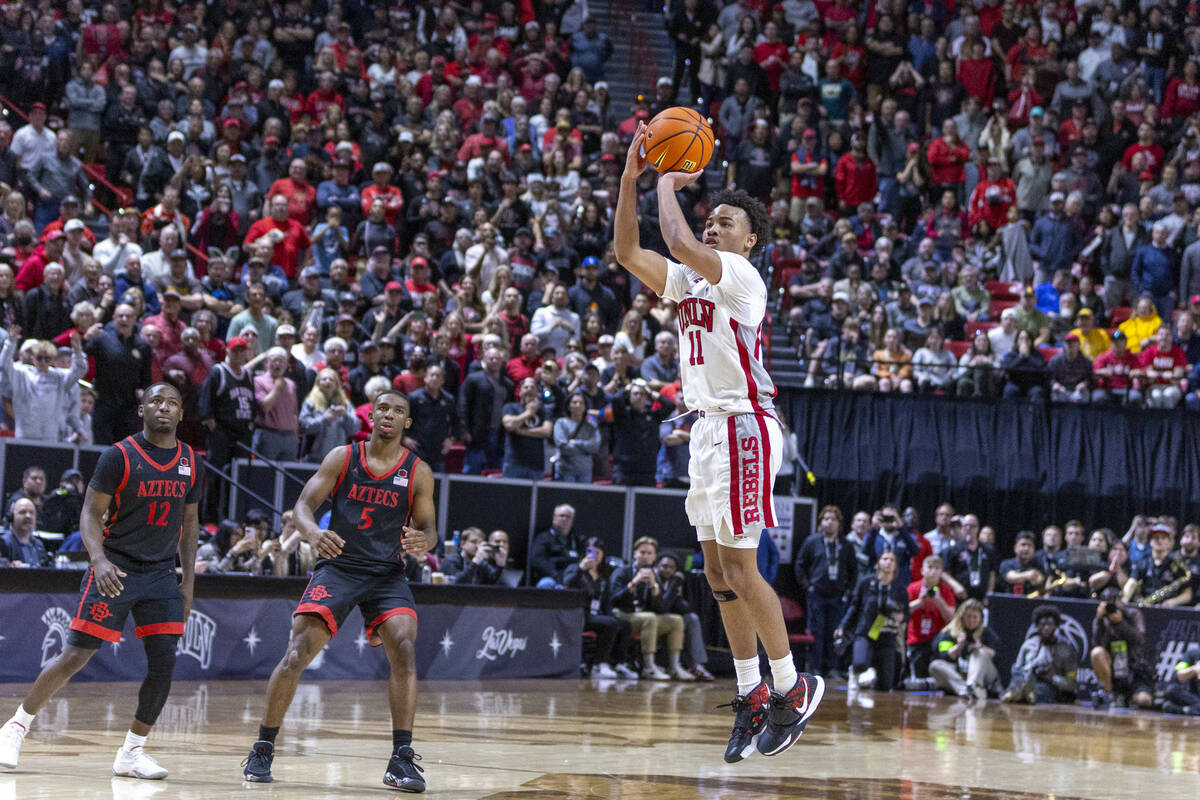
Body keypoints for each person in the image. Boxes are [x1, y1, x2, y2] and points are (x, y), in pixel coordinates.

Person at [612, 121, 822, 763]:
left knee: (740, 566)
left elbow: (672, 235)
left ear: (749, 239)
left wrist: (668, 180)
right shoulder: (693, 284)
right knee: (717, 574)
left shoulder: (740, 277)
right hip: (707, 430)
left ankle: (793, 687)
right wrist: (629, 179)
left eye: (725, 221)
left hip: (745, 425)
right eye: (712, 220)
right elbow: (629, 252)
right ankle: (751, 691)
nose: (712, 227)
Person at [0, 383, 199, 777]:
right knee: (76, 655)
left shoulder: (191, 459)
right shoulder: (119, 455)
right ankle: (15, 727)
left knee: (164, 666)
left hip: (161, 574)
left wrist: (188, 581)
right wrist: (99, 560)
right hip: (116, 568)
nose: (164, 408)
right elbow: (90, 515)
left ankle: (131, 753)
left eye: (172, 403)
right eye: (156, 401)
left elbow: (190, 523)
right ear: (141, 409)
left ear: (180, 413)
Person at [241, 389, 435, 791]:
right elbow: (302, 506)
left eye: (398, 411)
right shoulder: (342, 457)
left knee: (404, 644)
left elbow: (429, 528)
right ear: (371, 414)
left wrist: (424, 541)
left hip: (386, 573)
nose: (389, 415)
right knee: (297, 653)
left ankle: (401, 759)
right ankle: (263, 746)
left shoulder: (418, 471)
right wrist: (311, 532)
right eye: (383, 408)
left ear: (406, 422)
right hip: (340, 566)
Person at [794, 506, 858, 679]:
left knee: (835, 632)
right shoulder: (812, 542)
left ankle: (833, 668)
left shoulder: (845, 545)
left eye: (833, 519)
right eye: (826, 519)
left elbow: (854, 570)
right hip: (817, 595)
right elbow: (800, 565)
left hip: (838, 596)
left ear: (839, 524)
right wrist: (808, 586)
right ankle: (814, 668)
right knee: (817, 632)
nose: (829, 522)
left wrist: (848, 591)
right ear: (821, 522)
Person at [562, 537, 638, 679]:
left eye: (598, 552)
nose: (595, 556)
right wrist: (580, 570)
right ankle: (599, 663)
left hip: (598, 614)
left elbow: (606, 600)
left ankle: (620, 663)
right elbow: (567, 586)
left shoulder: (604, 574)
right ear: (585, 553)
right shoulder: (575, 569)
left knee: (625, 624)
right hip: (580, 615)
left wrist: (612, 615)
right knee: (610, 624)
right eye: (592, 552)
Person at [836, 550, 908, 692]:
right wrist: (842, 626)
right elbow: (854, 607)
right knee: (860, 663)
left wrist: (901, 617)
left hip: (887, 634)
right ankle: (855, 672)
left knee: (886, 685)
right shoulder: (866, 583)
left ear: (896, 566)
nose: (888, 562)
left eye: (892, 560)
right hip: (866, 630)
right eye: (885, 559)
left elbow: (907, 615)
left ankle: (871, 676)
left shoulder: (900, 589)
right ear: (878, 563)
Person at [1089, 591, 1155, 710]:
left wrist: (1120, 623)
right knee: (1097, 653)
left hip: (1134, 670)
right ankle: (1109, 694)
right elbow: (1097, 644)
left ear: (1121, 602)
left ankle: (1129, 698)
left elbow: (1139, 640)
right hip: (1113, 671)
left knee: (1144, 700)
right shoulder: (1101, 620)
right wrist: (1099, 619)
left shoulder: (1132, 614)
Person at [1001, 604, 1079, 705]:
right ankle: (1021, 692)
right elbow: (1017, 671)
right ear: (1037, 626)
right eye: (1042, 624)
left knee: (1040, 691)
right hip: (1027, 681)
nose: (1046, 628)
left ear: (1056, 625)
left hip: (1051, 688)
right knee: (1021, 683)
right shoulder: (1028, 645)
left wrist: (1052, 677)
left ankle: (1023, 694)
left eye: (1050, 624)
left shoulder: (1065, 648)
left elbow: (1072, 684)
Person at [928, 599, 1000, 700]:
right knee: (935, 665)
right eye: (968, 616)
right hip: (958, 674)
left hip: (983, 676)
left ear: (981, 618)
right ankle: (965, 690)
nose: (971, 621)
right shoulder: (949, 632)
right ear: (961, 616)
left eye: (975, 617)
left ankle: (973, 685)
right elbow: (944, 655)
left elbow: (995, 655)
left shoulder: (987, 633)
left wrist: (980, 647)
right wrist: (958, 646)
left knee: (980, 653)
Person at [904, 556, 956, 687]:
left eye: (937, 568)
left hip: (939, 638)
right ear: (922, 570)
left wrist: (939, 601)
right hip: (917, 638)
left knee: (943, 659)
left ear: (941, 572)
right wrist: (919, 602)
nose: (933, 571)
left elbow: (951, 617)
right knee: (920, 679)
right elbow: (902, 612)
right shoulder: (913, 588)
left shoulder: (946, 590)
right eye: (930, 567)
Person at [529, 504, 582, 589]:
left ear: (572, 520)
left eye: (568, 517)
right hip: (552, 578)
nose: (564, 519)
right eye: (561, 516)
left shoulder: (577, 541)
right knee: (545, 584)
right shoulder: (543, 538)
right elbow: (538, 560)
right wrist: (556, 576)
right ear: (554, 517)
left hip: (573, 578)